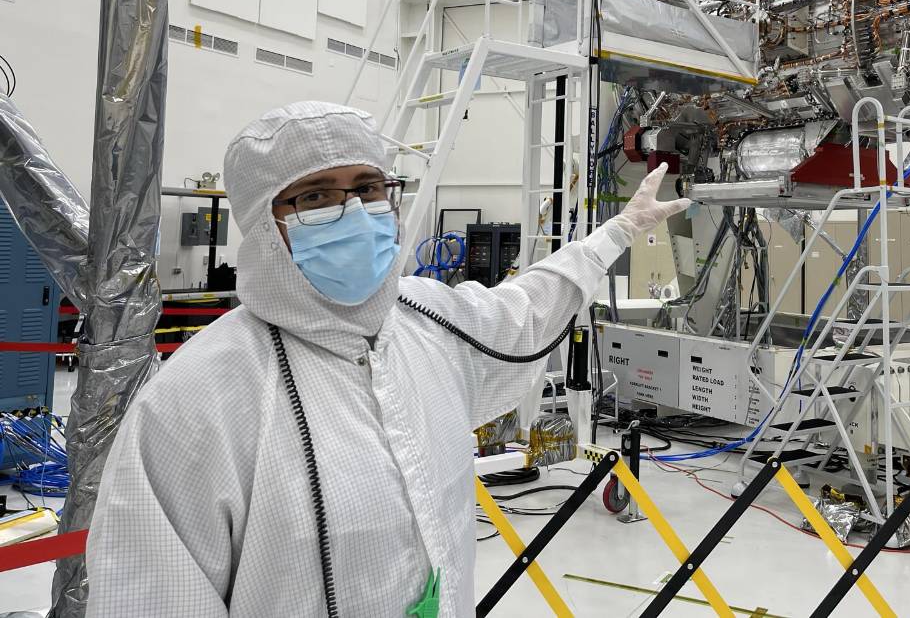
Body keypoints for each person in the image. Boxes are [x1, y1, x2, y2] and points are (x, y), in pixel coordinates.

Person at [85, 101, 689, 617]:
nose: (354, 211)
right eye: (317, 196)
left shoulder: (424, 320)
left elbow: (524, 309)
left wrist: (616, 233)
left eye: (368, 188)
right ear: (264, 222)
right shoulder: (200, 396)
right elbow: (152, 594)